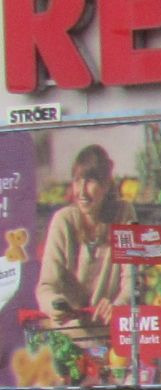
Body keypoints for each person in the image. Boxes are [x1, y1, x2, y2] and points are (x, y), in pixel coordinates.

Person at [36, 143, 137, 344]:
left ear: (106, 185)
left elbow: (135, 281)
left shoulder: (125, 213)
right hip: (69, 338)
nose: (81, 192)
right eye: (77, 181)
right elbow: (46, 287)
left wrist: (119, 305)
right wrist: (56, 304)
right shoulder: (62, 220)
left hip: (112, 337)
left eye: (90, 181)